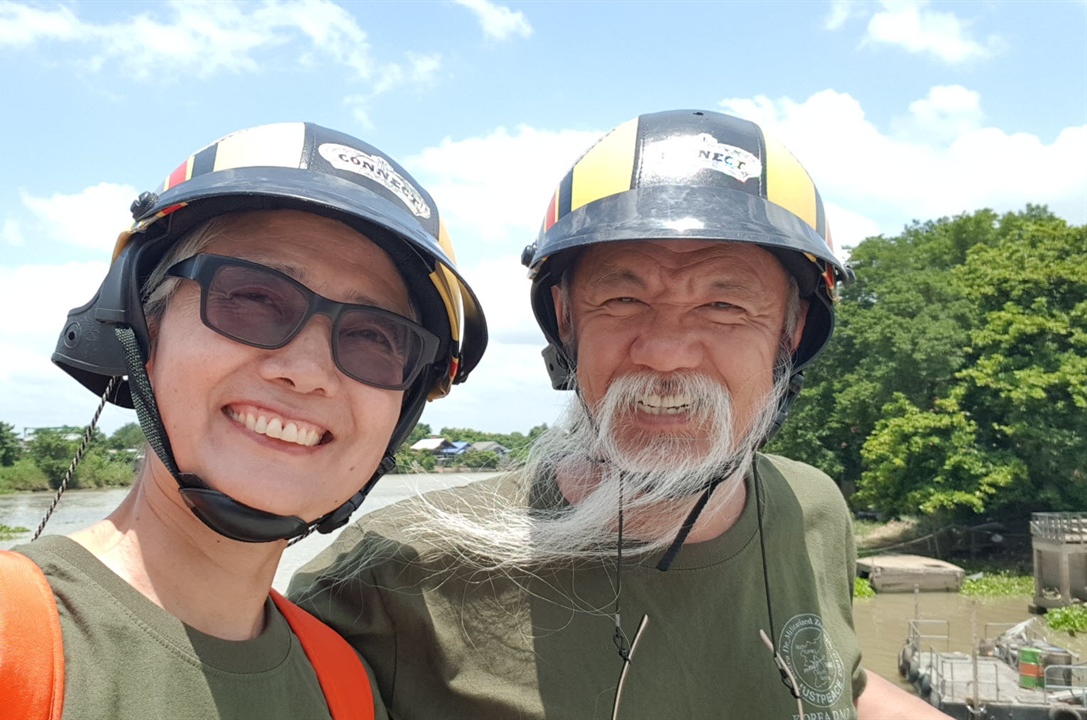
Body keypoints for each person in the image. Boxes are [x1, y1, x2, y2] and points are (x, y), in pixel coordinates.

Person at [0, 122, 487, 719]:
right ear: (140, 328)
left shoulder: (345, 688)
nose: (306, 370)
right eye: (252, 298)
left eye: (375, 337)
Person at [290, 110, 945, 718]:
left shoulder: (813, 511)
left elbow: (842, 684)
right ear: (568, 323)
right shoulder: (394, 579)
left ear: (793, 333)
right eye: (623, 298)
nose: (663, 353)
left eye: (723, 306)